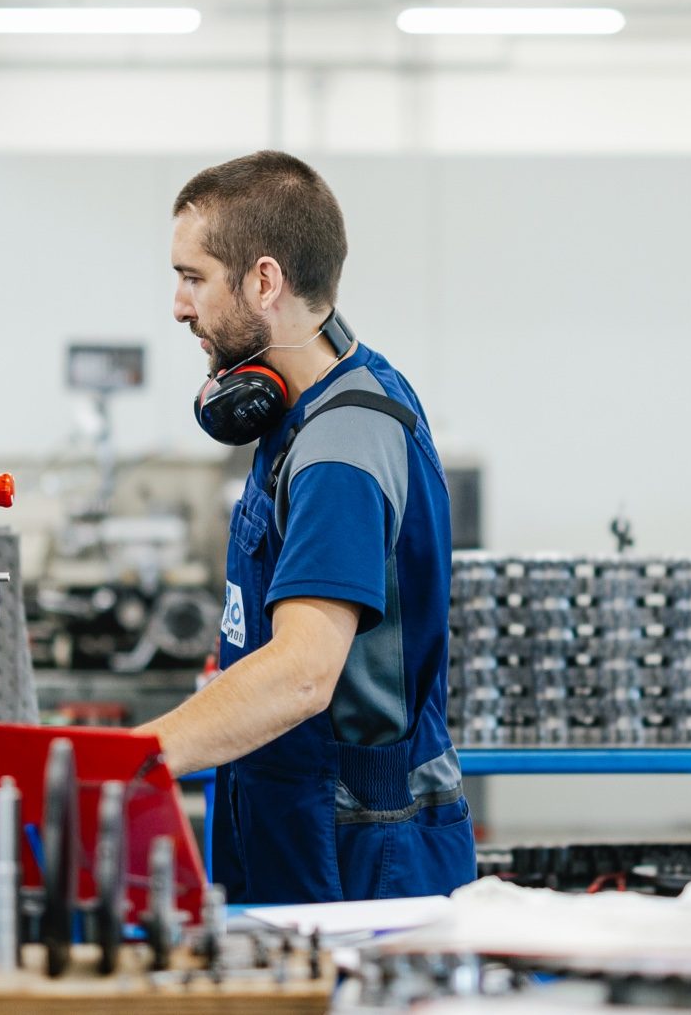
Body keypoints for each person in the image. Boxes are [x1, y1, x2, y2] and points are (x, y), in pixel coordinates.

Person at [139, 150, 475, 904]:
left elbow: (300, 675)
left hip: (352, 853)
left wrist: (127, 761)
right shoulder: (309, 409)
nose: (180, 306)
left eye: (193, 278)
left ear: (264, 282)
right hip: (291, 819)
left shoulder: (339, 450)